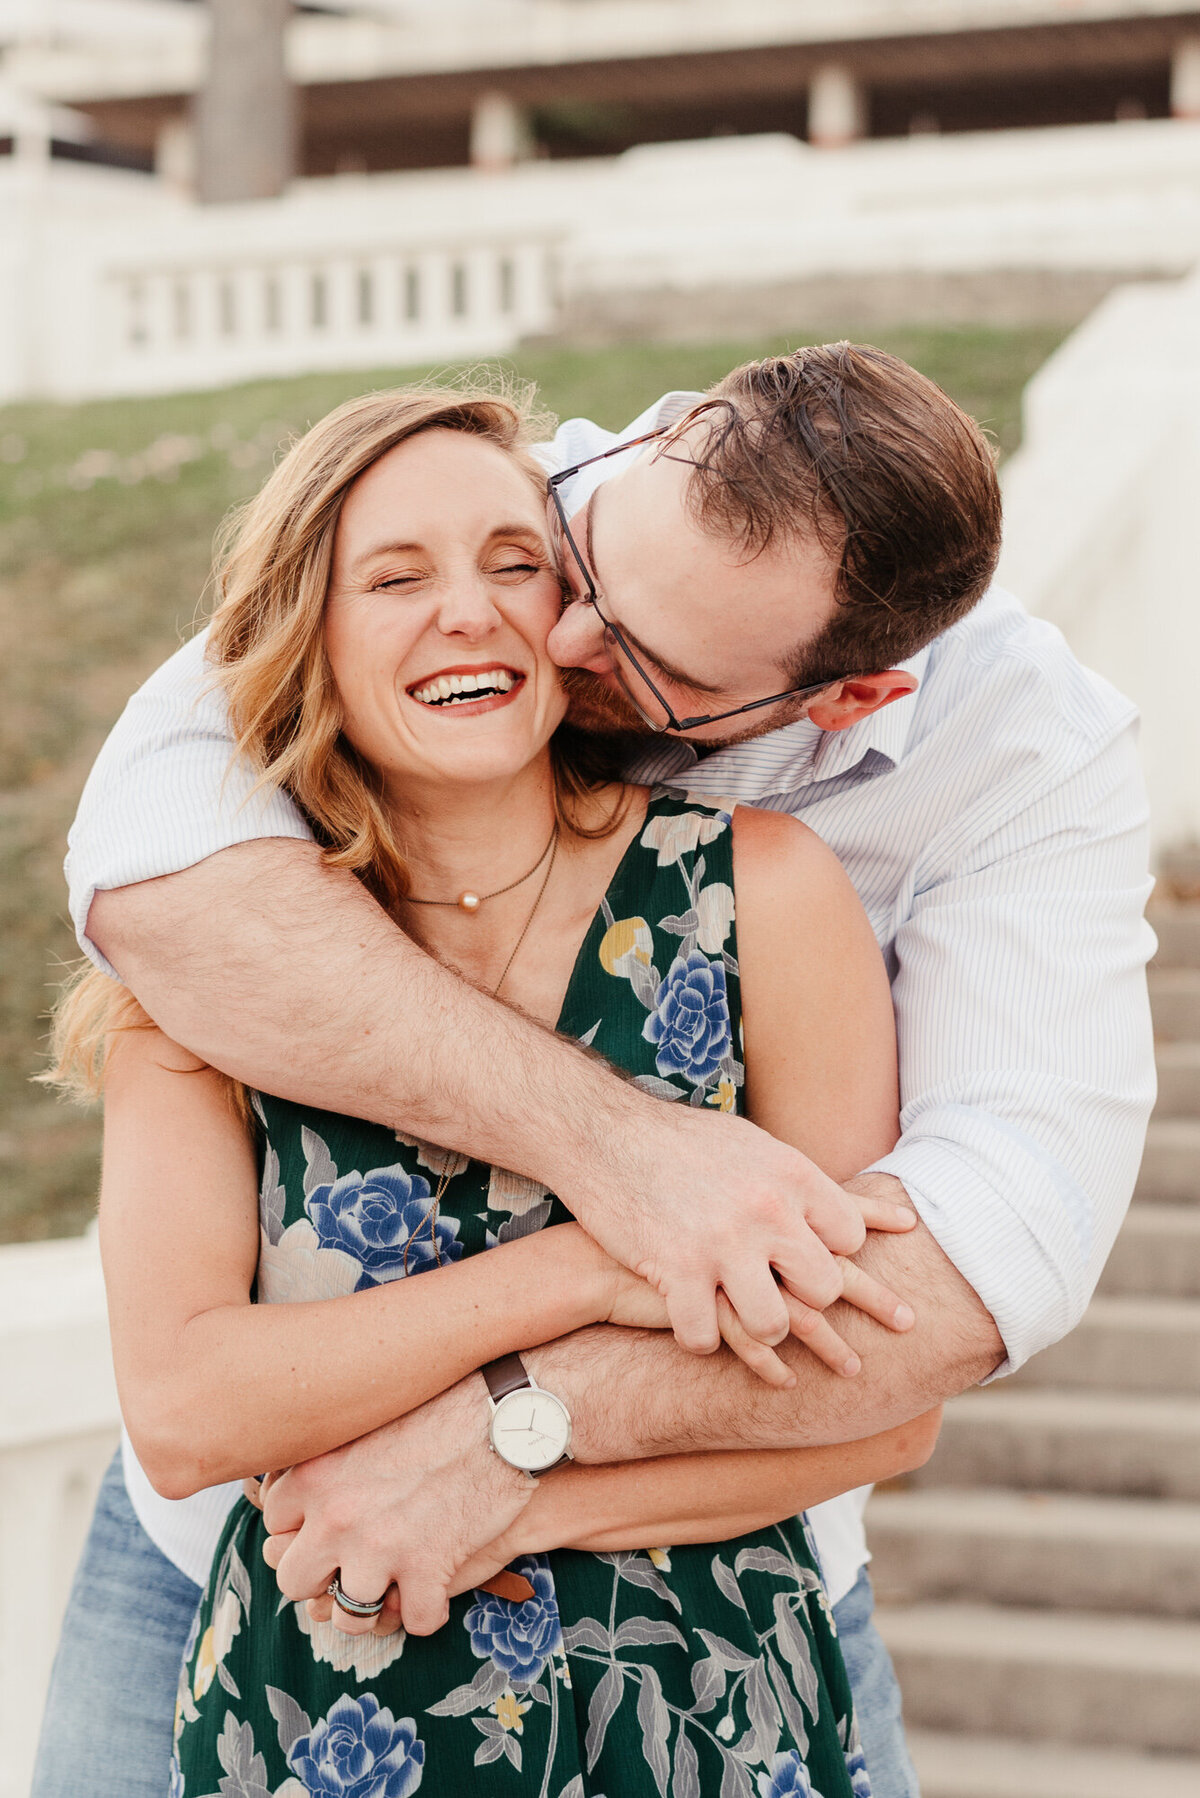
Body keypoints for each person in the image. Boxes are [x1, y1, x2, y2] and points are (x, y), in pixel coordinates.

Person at [35, 344, 1155, 1798]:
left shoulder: (947, 805)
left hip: (706, 1627)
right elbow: (150, 864)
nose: (551, 637)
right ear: (662, 439)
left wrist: (504, 1455)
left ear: (850, 697)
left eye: (649, 663)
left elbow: (958, 1281)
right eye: (581, 572)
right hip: (260, 1609)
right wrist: (626, 1200)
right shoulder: (497, 519)